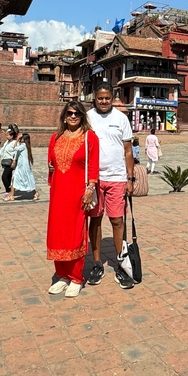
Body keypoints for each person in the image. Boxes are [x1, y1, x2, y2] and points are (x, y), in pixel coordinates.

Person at [47, 101, 99, 298]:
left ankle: (76, 277)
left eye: (77, 113)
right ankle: (62, 275)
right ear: (64, 116)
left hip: (78, 193)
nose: (73, 116)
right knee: (57, 232)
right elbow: (51, 163)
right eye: (69, 113)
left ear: (82, 116)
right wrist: (51, 167)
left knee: (75, 233)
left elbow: (93, 165)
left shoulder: (89, 137)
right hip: (58, 193)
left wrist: (90, 188)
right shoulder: (55, 138)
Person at [85, 84, 135, 290]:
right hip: (94, 179)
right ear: (95, 99)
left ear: (112, 98)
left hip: (117, 177)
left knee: (117, 220)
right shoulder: (87, 117)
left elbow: (128, 151)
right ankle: (97, 263)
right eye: (100, 98)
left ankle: (121, 264)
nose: (104, 101)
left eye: (107, 98)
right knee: (95, 219)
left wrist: (130, 178)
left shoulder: (121, 118)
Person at [0, 127, 18, 198]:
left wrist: (14, 161)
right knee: (8, 176)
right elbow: (2, 150)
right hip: (5, 160)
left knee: (4, 176)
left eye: (8, 135)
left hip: (10, 161)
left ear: (12, 136)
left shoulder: (15, 143)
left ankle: (8, 190)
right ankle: (10, 190)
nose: (6, 136)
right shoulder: (7, 142)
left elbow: (16, 153)